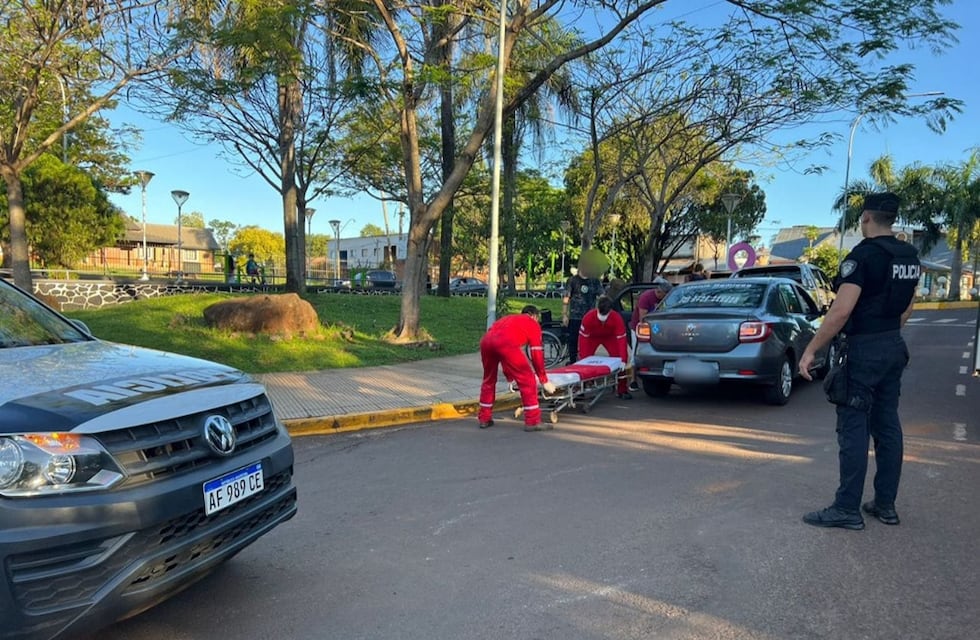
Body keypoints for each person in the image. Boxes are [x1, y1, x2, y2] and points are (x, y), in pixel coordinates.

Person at [798, 192, 920, 530]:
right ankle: (885, 505)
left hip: (864, 350)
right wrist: (888, 334)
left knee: (853, 428)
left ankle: (846, 508)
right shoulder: (909, 256)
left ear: (866, 217)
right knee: (887, 425)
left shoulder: (863, 256)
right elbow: (908, 306)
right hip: (892, 344)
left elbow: (841, 311)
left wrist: (812, 350)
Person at [479, 305, 557, 432]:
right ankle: (532, 421)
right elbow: (536, 353)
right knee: (528, 380)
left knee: (489, 380)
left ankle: (484, 418)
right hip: (506, 343)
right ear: (534, 316)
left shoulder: (509, 319)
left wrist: (509, 376)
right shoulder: (532, 323)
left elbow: (503, 354)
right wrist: (543, 379)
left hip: (486, 342)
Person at [578, 296, 632, 399]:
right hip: (592, 337)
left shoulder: (616, 318)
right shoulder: (588, 317)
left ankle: (622, 389)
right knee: (584, 361)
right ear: (597, 308)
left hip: (610, 337)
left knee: (619, 360)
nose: (603, 316)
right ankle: (581, 388)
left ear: (610, 310)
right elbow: (583, 341)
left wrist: (623, 360)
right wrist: (583, 358)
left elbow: (621, 341)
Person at [562, 263, 604, 364]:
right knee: (573, 340)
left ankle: (587, 360)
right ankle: (573, 361)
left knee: (589, 340)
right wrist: (564, 314)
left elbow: (602, 296)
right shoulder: (572, 280)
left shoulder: (595, 281)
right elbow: (566, 298)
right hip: (575, 316)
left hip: (590, 317)